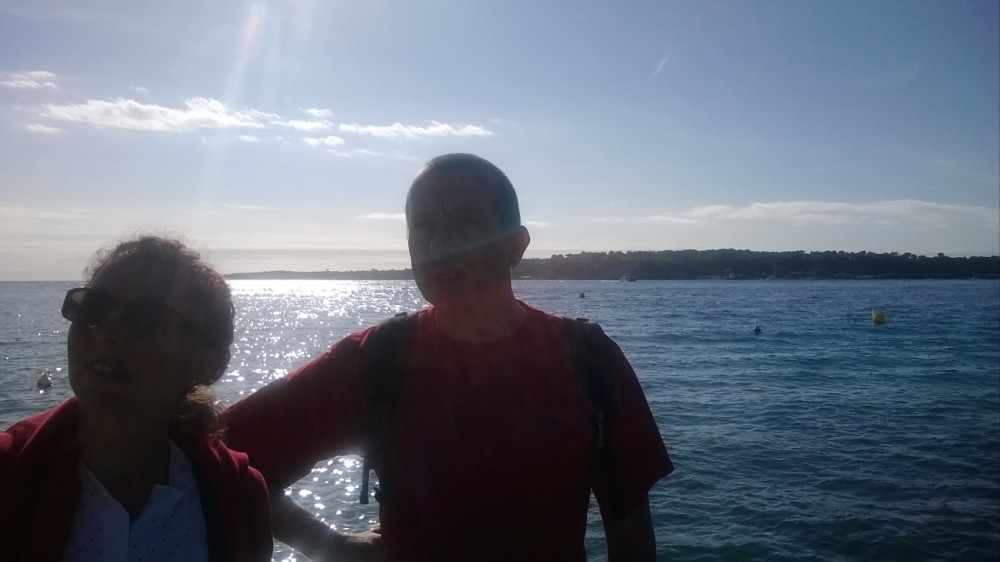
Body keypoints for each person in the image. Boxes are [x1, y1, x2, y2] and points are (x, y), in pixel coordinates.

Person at [224, 153, 674, 561]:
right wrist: (328, 543)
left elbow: (631, 540)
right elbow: (221, 450)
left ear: (516, 245)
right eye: (423, 226)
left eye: (467, 223)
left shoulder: (590, 361)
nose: (440, 244)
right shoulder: (375, 361)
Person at [0, 235, 273, 562]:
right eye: (93, 307)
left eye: (146, 318)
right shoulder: (9, 474)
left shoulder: (238, 499)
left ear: (205, 362)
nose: (107, 330)